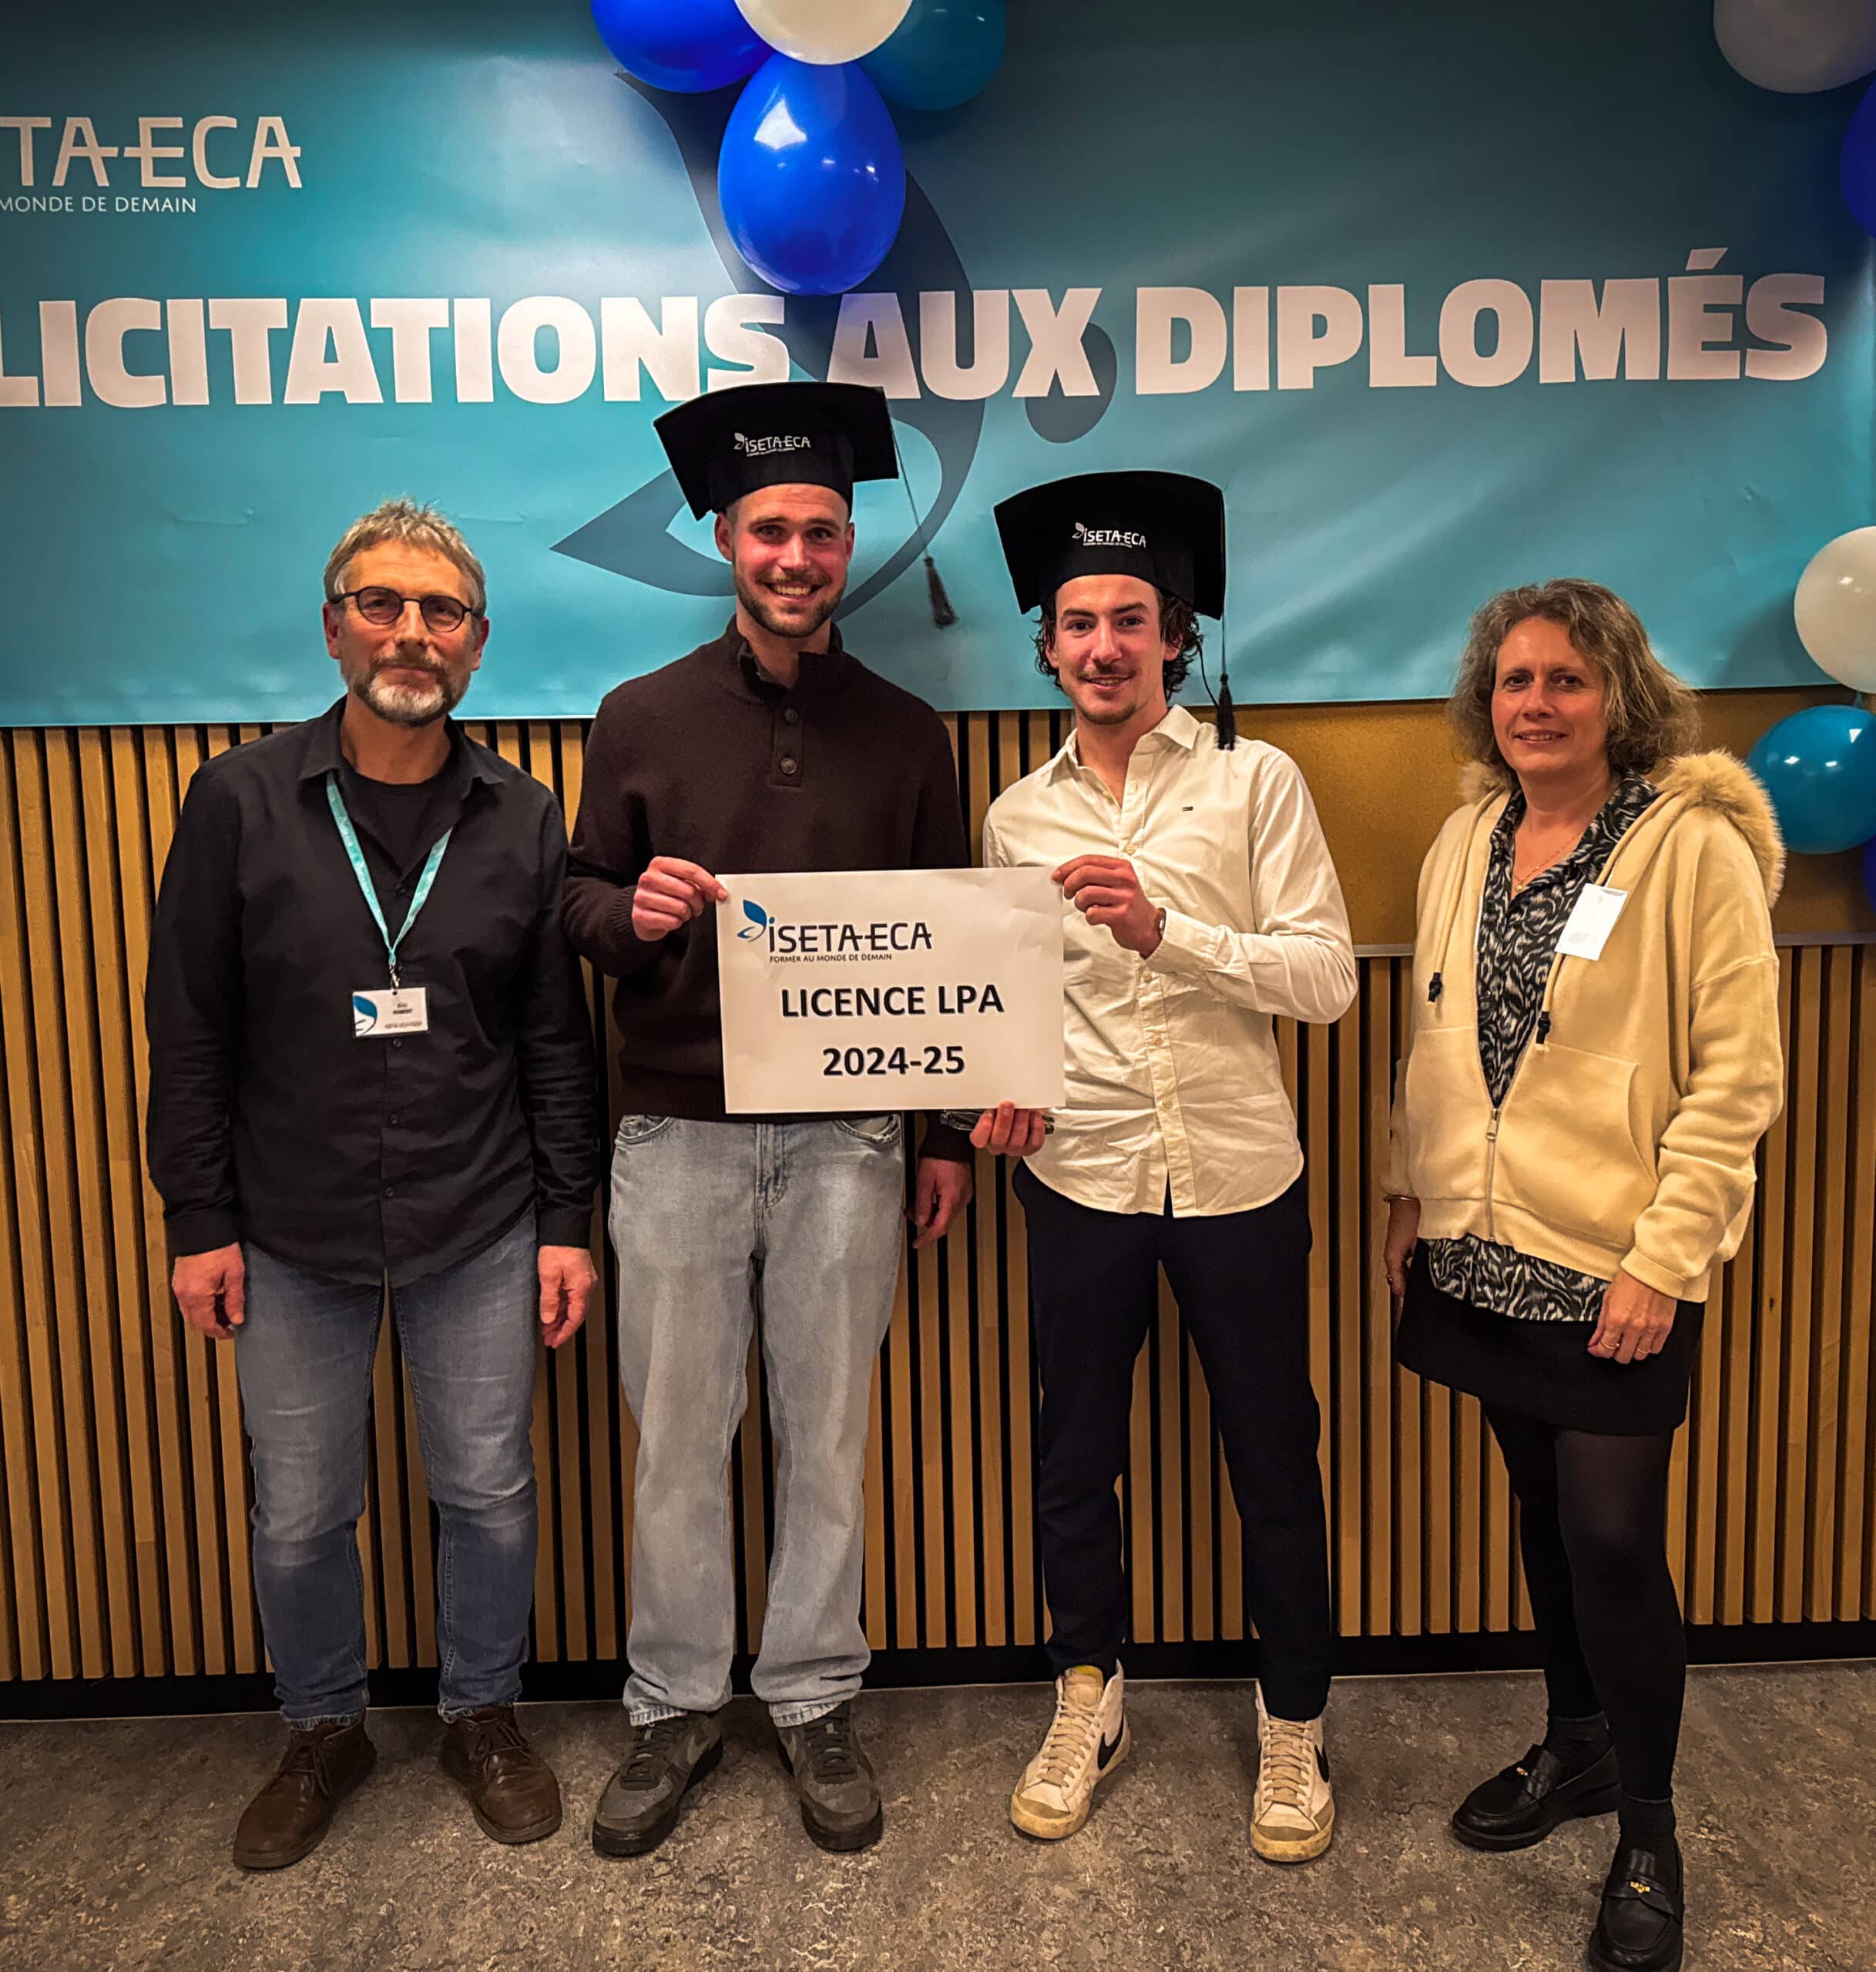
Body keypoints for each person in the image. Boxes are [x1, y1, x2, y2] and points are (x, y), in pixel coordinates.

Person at [145, 498, 601, 1869]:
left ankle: (482, 1716)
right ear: (334, 626)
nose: (412, 633)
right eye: (382, 605)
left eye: (441, 612)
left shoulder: (523, 813)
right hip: (289, 1226)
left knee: (489, 1491)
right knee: (298, 1510)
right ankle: (321, 1727)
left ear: (478, 643)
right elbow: (190, 1028)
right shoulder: (237, 801)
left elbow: (554, 1040)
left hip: (480, 1215)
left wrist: (566, 1224)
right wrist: (197, 1220)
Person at [562, 381, 975, 1858]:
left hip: (852, 1140)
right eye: (769, 532)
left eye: (821, 531)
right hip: (676, 1130)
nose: (797, 557)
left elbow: (950, 952)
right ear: (725, 540)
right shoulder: (639, 717)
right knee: (676, 1440)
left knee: (828, 1432)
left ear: (849, 543)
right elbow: (577, 903)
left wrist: (940, 1136)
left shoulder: (910, 735)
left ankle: (811, 1695)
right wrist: (632, 914)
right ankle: (673, 1702)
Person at [1382, 579, 1784, 1972]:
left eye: (1567, 678)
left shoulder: (1692, 846)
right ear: (1484, 700)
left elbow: (1736, 1081)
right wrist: (1409, 1190)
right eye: (1515, 679)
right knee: (1540, 1510)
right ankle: (1576, 1742)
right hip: (1480, 1242)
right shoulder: (1466, 837)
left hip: (1617, 1259)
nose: (1536, 704)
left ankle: (1651, 1830)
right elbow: (1433, 1035)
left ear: (1622, 695)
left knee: (1613, 1536)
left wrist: (1667, 1261)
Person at [973, 471, 1356, 1860]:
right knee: (1073, 1453)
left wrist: (1166, 932)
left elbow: (1327, 981)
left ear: (1176, 636)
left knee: (1275, 1454)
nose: (1103, 648)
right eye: (1078, 623)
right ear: (1048, 645)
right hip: (1081, 1176)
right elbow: (1005, 1007)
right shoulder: (1016, 817)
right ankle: (1089, 1693)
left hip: (1240, 1176)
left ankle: (1295, 1722)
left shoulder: (1259, 783)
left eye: (1130, 620)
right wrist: (999, 1089)